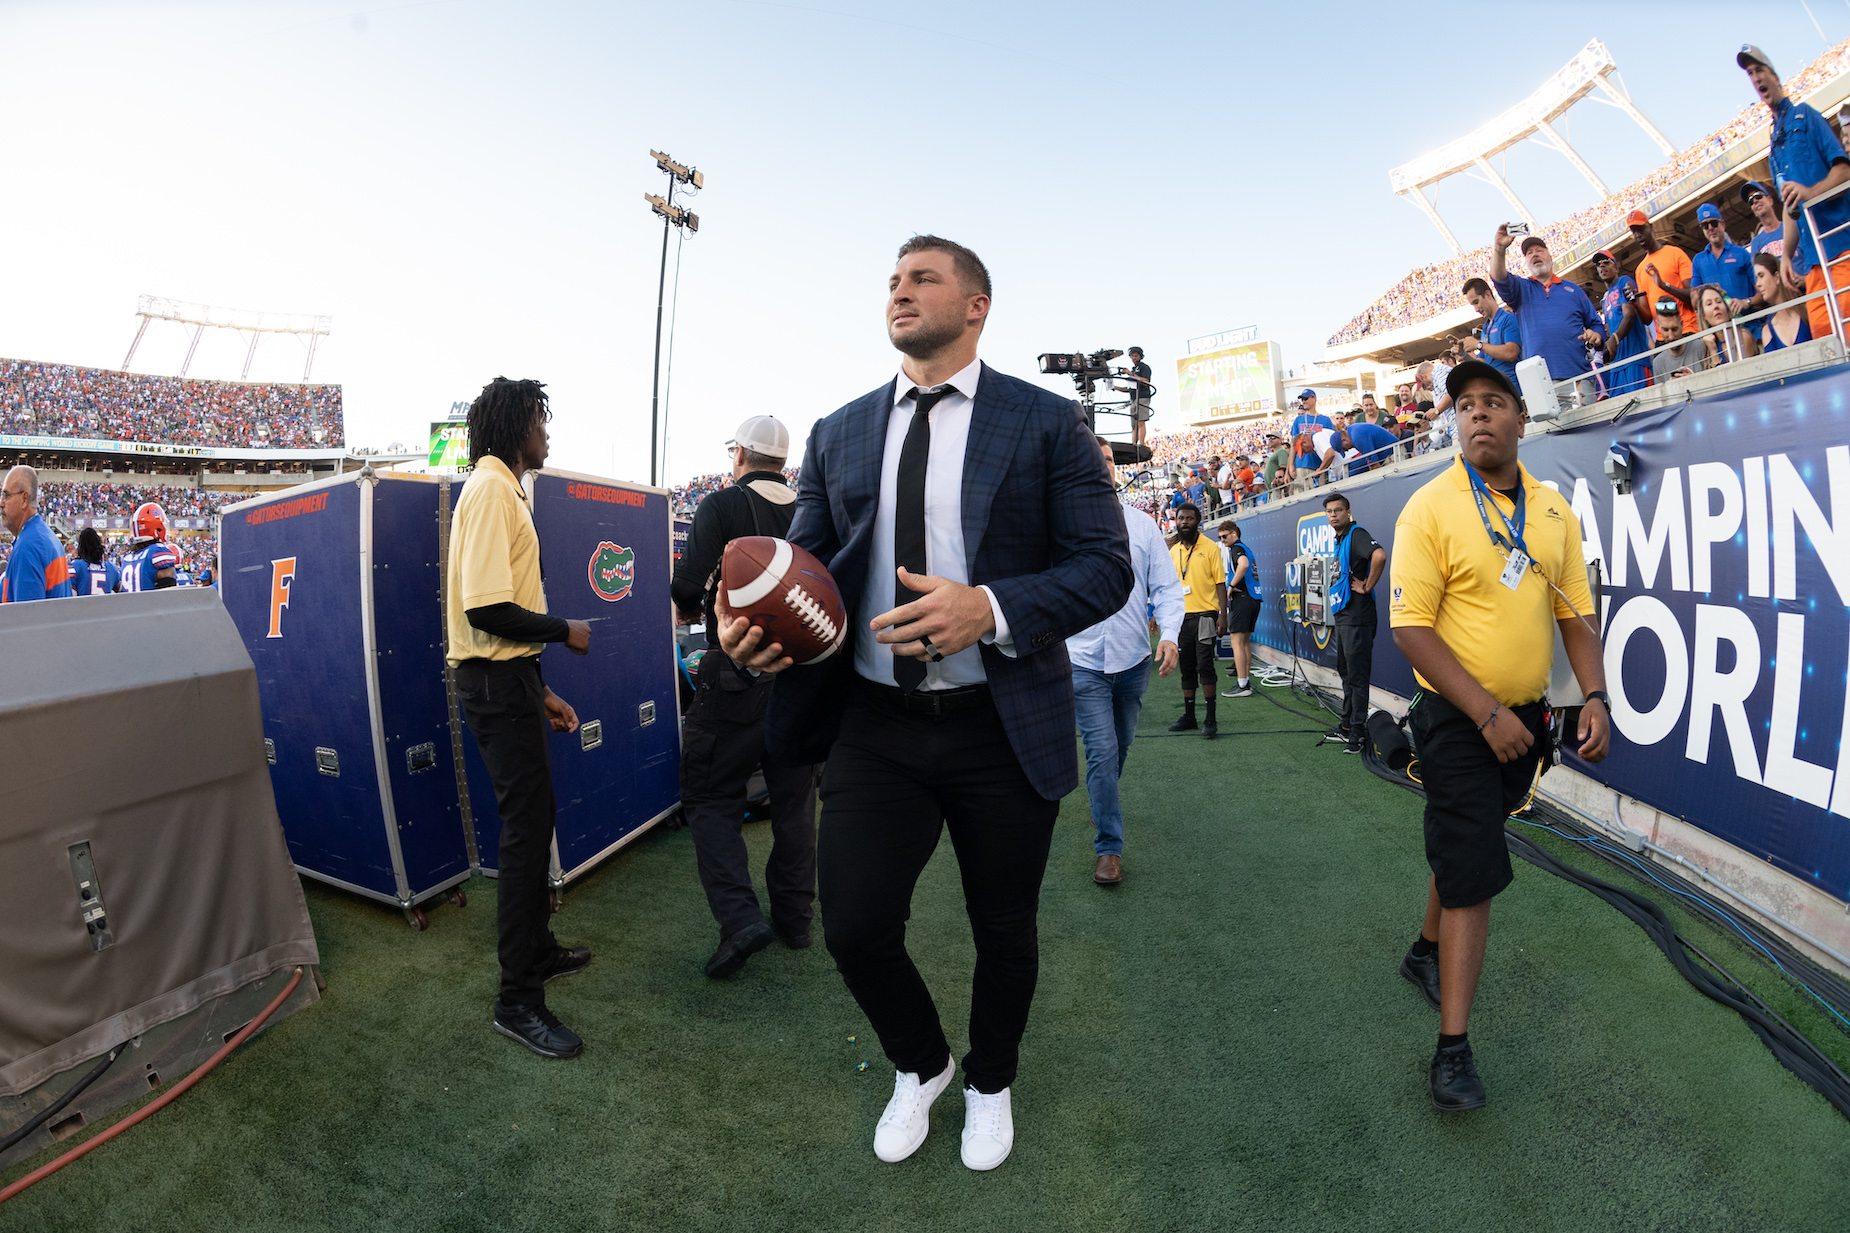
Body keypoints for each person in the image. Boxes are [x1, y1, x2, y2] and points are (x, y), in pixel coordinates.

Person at [722, 235, 1132, 1172]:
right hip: (877, 720)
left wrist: (987, 607)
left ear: (977, 304)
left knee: (1004, 928)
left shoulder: (1045, 421)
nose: (900, 293)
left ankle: (992, 1080)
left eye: (923, 278)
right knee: (856, 924)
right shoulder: (841, 429)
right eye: (894, 281)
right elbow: (810, 569)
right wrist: (761, 633)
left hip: (1000, 722)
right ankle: (924, 1063)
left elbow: (1105, 567)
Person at [1389, 358, 1609, 1112]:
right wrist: (1484, 712)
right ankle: (1452, 1052)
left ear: (1522, 419)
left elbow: (1575, 618)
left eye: (1494, 402)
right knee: (1476, 865)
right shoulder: (1429, 507)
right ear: (1455, 423)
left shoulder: (1551, 512)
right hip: (1458, 720)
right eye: (1466, 406)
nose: (1478, 414)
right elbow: (1411, 629)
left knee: (1466, 842)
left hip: (1526, 721)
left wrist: (1597, 698)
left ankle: (1423, 951)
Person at [445, 377, 595, 1061]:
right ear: (516, 426)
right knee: (525, 832)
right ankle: (517, 999)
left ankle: (536, 949)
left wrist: (540, 689)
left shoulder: (502, 489)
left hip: (512, 681)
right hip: (493, 681)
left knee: (537, 824)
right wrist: (565, 628)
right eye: (541, 419)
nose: (547, 432)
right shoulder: (486, 489)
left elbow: (500, 627)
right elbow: (485, 612)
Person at [669, 414, 820, 977]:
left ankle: (739, 919)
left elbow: (687, 588)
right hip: (801, 674)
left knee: (710, 799)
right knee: (796, 800)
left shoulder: (721, 505)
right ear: (782, 462)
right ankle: (796, 920)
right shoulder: (809, 508)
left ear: (740, 456)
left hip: (736, 669)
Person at [1069, 436, 1183, 887]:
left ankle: (1102, 798)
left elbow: (1168, 589)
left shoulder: (1143, 527)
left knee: (1119, 747)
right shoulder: (1059, 527)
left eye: (1111, 459)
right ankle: (1109, 848)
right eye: (1094, 460)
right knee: (1102, 750)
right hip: (1081, 660)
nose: (1105, 466)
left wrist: (1170, 635)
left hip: (1133, 659)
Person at [1743, 45, 1850, 342]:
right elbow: (1791, 208)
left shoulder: (1806, 115)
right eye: (1750, 74)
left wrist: (1810, 191)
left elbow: (1844, 171)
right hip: (1814, 264)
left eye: (1760, 70)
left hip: (1841, 247)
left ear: (1775, 76)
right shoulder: (1773, 145)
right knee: (1828, 347)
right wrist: (1786, 256)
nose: (1756, 78)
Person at [1489, 226, 1605, 404]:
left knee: (1589, 429)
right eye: (1529, 253)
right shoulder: (1521, 288)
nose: (1534, 254)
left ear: (1550, 257)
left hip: (1578, 375)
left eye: (1539, 250)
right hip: (1540, 382)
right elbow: (1498, 278)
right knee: (1550, 431)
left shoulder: (1573, 290)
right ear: (1526, 262)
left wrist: (1596, 335)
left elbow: (1596, 324)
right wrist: (1499, 248)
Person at [1320, 492, 1385, 754]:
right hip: (1345, 617)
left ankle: (1358, 734)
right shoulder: (1341, 539)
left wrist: (1367, 586)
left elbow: (1379, 556)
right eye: (1329, 511)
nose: (1333, 514)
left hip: (1358, 618)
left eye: (1337, 510)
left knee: (1357, 678)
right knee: (1346, 673)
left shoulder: (1356, 534)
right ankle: (1347, 725)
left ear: (1348, 512)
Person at [1167, 502, 1226, 739]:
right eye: (1181, 518)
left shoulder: (1210, 548)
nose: (1185, 523)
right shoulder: (1173, 551)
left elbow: (1220, 583)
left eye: (1189, 519)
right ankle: (1189, 716)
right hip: (1182, 617)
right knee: (1187, 666)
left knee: (1205, 665)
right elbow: (1168, 587)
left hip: (1205, 615)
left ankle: (1210, 718)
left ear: (1198, 521)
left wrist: (1223, 614)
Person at [1, 465, 73, 603]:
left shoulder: (27, 548)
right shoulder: (46, 536)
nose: (1, 503)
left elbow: (27, 621)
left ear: (24, 499)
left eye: (6, 495)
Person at [1628, 209, 1699, 336]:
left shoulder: (1675, 253)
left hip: (1687, 329)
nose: (1638, 235)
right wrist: (1635, 304)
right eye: (1634, 232)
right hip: (1663, 337)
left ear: (1650, 227)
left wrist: (1664, 286)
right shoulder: (1639, 270)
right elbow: (1648, 318)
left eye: (1641, 229)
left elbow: (1693, 296)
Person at [1594, 250, 1650, 397]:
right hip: (1617, 365)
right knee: (1621, 414)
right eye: (1598, 264)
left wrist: (1615, 339)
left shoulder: (1624, 281)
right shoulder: (1605, 300)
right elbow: (1608, 330)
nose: (1602, 266)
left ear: (1616, 268)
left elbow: (1629, 314)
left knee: (1644, 407)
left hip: (1635, 360)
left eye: (1606, 262)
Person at [1217, 519, 1261, 698]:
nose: (1222, 540)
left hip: (1243, 598)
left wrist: (1231, 585)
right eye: (1220, 537)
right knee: (1243, 643)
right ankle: (1245, 681)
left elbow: (1243, 565)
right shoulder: (1244, 547)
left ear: (1234, 533)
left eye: (1225, 536)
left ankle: (1243, 684)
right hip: (1253, 599)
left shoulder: (1237, 548)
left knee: (1237, 643)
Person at [1690, 204, 1755, 310]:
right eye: (1705, 225)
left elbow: (1761, 293)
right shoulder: (1698, 260)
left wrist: (1746, 302)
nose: (1710, 228)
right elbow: (1694, 302)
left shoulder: (1741, 253)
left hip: (1748, 323)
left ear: (1723, 224)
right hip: (1720, 325)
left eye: (1714, 223)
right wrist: (1709, 289)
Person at [1461, 279, 1521, 386]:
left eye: (1476, 302)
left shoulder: (1508, 319)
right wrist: (1463, 354)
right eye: (1472, 305)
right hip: (1496, 387)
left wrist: (1478, 344)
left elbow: (1511, 353)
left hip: (1513, 387)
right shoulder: (1486, 328)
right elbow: (1481, 365)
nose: (1476, 309)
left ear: (1488, 295)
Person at [1753, 251, 1813, 351]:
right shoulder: (1767, 331)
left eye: (1761, 275)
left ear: (1777, 277)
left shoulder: (1807, 312)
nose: (1758, 284)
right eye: (1756, 278)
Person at [1649, 297, 1713, 382]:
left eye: (1674, 329)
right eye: (1665, 330)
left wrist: (1694, 380)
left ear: (1682, 325)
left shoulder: (1700, 346)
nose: (1671, 336)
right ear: (1658, 327)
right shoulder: (1658, 363)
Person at [119, 503, 179, 592]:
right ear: (157, 529)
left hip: (128, 605)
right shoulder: (158, 551)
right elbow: (168, 596)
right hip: (150, 605)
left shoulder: (127, 558)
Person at [1696, 283, 1751, 364]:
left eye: (1719, 301)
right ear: (1703, 315)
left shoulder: (1742, 336)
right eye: (1709, 304)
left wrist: (1714, 353)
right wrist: (1713, 350)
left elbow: (1741, 373)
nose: (1716, 306)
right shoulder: (1707, 345)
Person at [69, 526, 121, 596]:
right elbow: (122, 591)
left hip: (84, 606)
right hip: (106, 606)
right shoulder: (111, 567)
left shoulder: (75, 566)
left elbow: (70, 598)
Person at [1742, 180, 1785, 260]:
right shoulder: (1756, 243)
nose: (1755, 201)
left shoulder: (1791, 227)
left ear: (1770, 200)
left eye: (1758, 196)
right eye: (1751, 201)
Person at [1122, 347, 1154, 449]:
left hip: (1142, 396)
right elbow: (1130, 388)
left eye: (1136, 356)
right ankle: (1133, 444)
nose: (1134, 358)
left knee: (1141, 421)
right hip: (1134, 398)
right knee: (1133, 424)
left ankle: (1141, 443)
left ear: (1140, 356)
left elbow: (1146, 381)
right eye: (1132, 356)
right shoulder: (1133, 370)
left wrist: (1131, 374)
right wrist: (1114, 388)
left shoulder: (1144, 367)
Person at [1261, 431, 1292, 499]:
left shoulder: (1281, 451)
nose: (1271, 440)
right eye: (1269, 439)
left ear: (1280, 440)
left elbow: (1283, 467)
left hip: (1278, 488)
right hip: (1273, 489)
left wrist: (1276, 481)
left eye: (1273, 438)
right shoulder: (1276, 452)